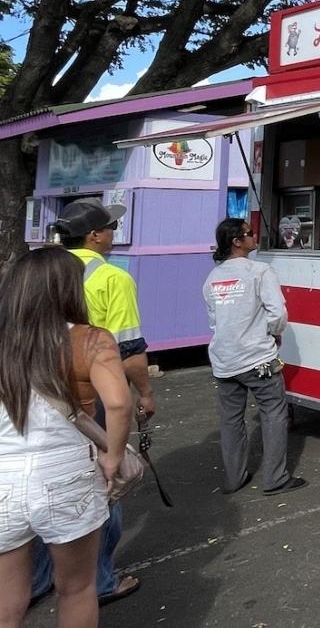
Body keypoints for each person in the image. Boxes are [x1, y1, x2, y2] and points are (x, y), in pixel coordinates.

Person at [0, 246, 132, 628]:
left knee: (8, 600)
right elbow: (118, 404)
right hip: (66, 472)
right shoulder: (91, 340)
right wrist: (113, 456)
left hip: (4, 474)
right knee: (76, 588)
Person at [33, 198, 152, 605]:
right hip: (92, 393)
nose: (114, 235)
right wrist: (146, 393)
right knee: (104, 480)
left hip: (39, 390)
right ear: (95, 235)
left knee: (44, 481)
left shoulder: (42, 272)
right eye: (110, 228)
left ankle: (37, 579)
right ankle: (99, 579)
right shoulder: (112, 277)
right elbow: (130, 350)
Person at [204, 218, 304, 495]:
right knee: (274, 413)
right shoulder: (261, 271)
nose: (254, 235)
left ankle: (234, 478)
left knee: (231, 420)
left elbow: (214, 321)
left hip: (224, 360)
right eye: (249, 233)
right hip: (258, 358)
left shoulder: (212, 278)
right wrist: (274, 333)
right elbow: (278, 313)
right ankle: (275, 479)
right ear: (237, 242)